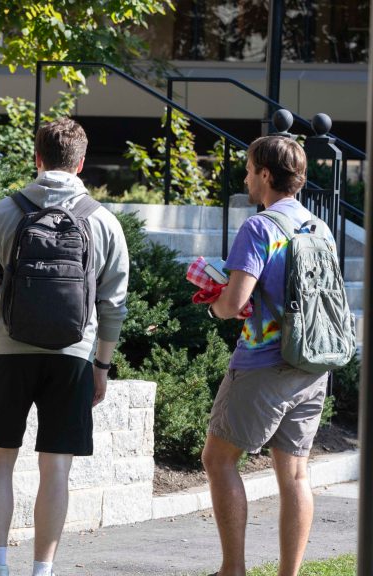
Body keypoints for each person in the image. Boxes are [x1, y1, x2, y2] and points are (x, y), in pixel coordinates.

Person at [0, 117, 129, 576]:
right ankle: (43, 570)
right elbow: (113, 303)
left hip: (9, 352)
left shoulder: (4, 212)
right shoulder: (103, 221)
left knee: (0, 461)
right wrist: (103, 366)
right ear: (80, 163)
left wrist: (6, 298)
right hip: (74, 357)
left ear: (36, 159)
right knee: (56, 469)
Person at [203, 136, 331, 576]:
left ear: (265, 174)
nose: (244, 176)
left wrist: (215, 301)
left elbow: (234, 303)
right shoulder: (319, 227)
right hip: (312, 364)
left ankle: (232, 570)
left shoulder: (259, 228)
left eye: (248, 168)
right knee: (295, 475)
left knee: (218, 459)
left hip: (262, 364)